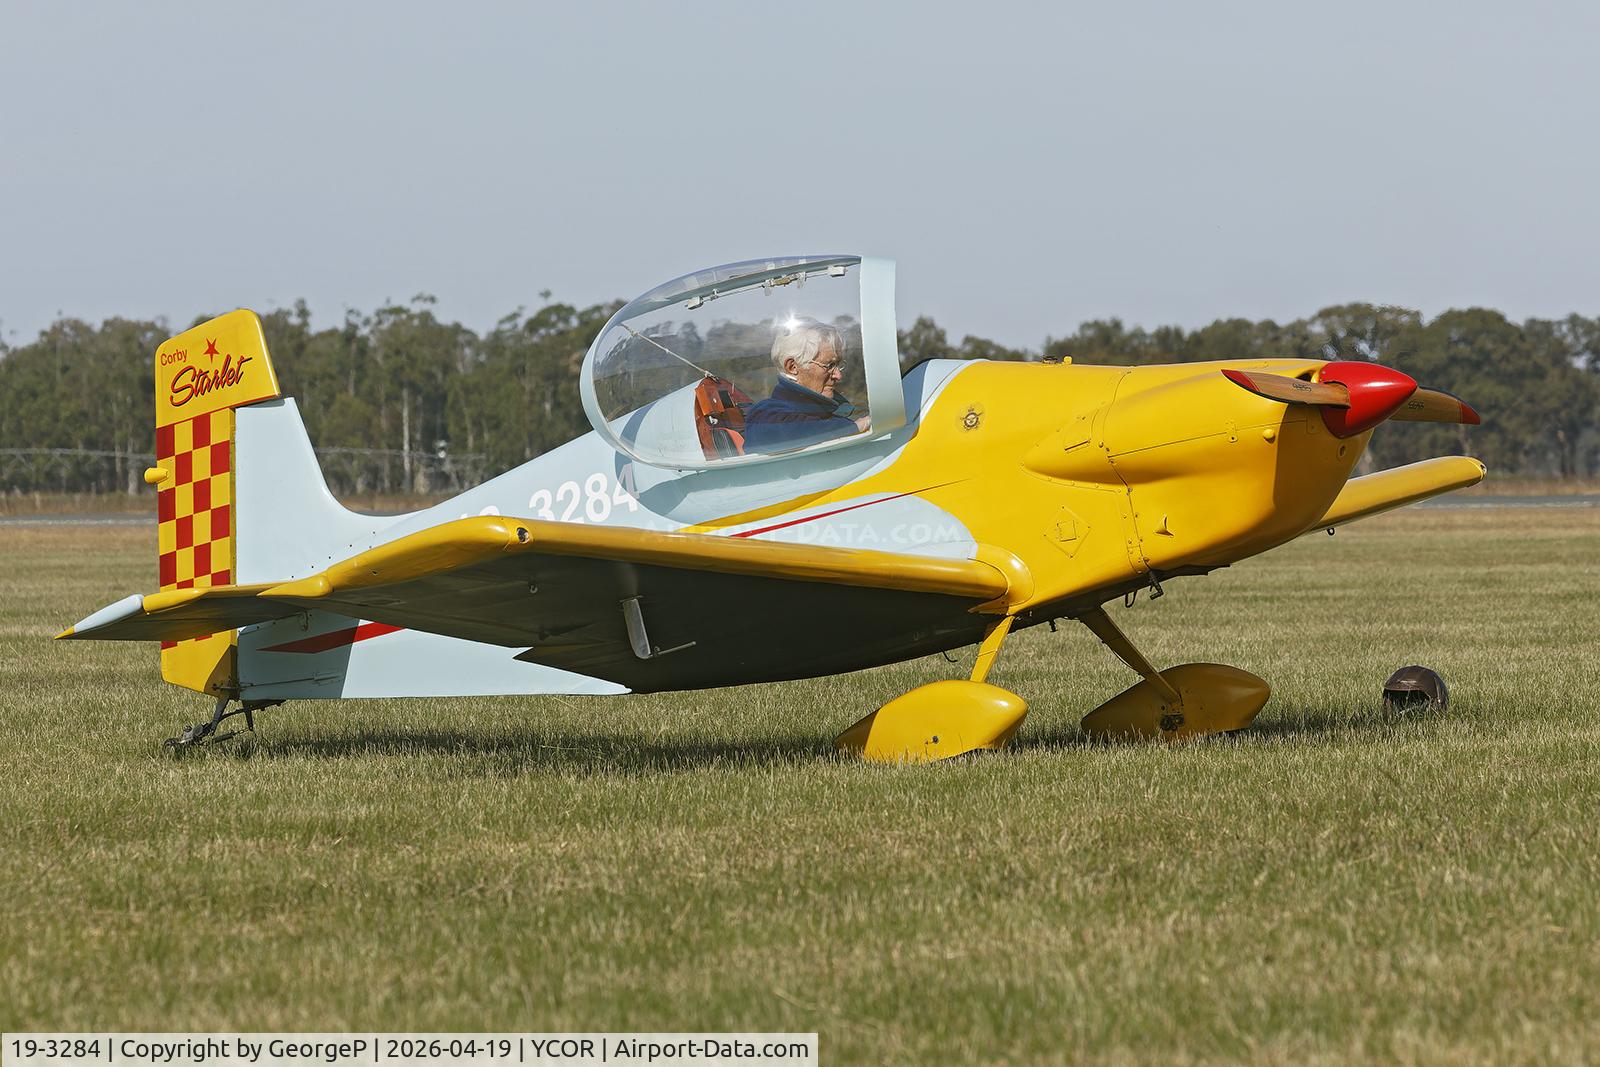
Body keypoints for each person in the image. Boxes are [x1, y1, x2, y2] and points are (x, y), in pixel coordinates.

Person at [742, 318, 871, 452]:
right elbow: (782, 432)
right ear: (792, 367)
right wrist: (854, 428)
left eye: (838, 365)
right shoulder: (765, 414)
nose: (838, 375)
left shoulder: (825, 412)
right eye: (830, 365)